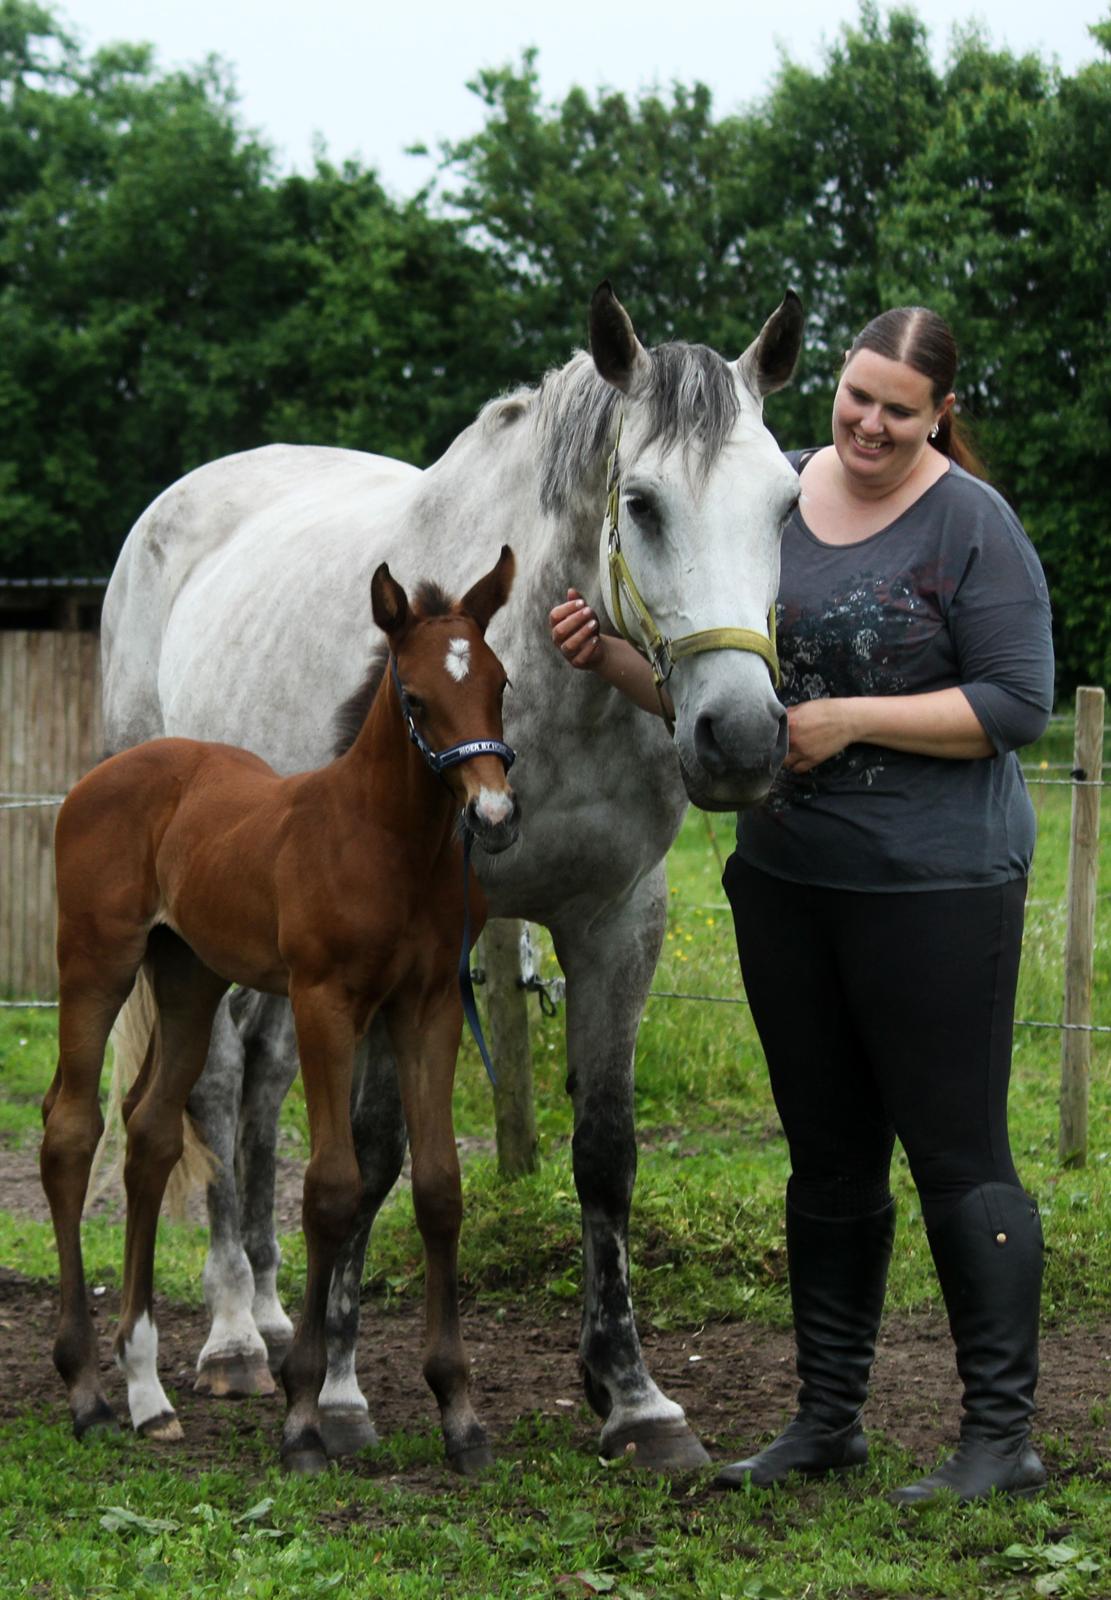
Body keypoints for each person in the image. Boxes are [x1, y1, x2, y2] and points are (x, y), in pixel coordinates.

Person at [549, 305, 1054, 1505]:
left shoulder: (968, 524)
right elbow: (717, 685)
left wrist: (850, 720)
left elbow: (1017, 702)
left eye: (899, 405)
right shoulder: (766, 488)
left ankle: (1000, 1435)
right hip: (789, 882)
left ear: (939, 414)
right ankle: (827, 1417)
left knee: (958, 1157)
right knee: (826, 1167)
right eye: (856, 394)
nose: (869, 421)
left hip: (936, 884)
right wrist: (608, 659)